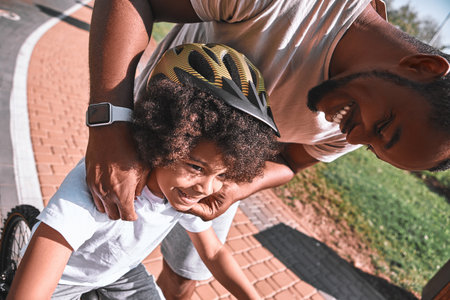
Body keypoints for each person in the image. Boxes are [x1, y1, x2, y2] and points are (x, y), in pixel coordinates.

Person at [86, 0, 450, 298]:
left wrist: (238, 187)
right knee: (89, 250)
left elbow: (292, 159)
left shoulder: (354, 125)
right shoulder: (292, 7)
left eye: (372, 148)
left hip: (220, 173)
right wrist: (109, 125)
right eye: (384, 126)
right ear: (421, 67)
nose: (354, 139)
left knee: (185, 277)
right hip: (145, 143)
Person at [7, 43, 281, 299]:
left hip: (120, 273)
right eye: (196, 167)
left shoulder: (183, 194)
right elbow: (48, 253)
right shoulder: (102, 186)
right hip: (64, 281)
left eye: (221, 175)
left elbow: (212, 252)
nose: (207, 189)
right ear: (162, 136)